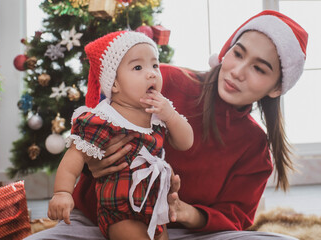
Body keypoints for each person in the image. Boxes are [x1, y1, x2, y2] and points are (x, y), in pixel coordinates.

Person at [25, 9, 308, 240]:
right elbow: (97, 121)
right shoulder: (163, 81)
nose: (238, 71)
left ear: (276, 88)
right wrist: (94, 164)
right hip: (100, 218)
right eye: (238, 53)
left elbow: (236, 218)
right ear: (226, 52)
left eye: (259, 68)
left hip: (184, 233)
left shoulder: (255, 147)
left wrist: (185, 212)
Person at [47, 31, 194, 240]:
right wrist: (62, 192)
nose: (152, 73)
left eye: (154, 65)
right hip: (120, 212)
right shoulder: (104, 118)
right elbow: (75, 156)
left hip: (153, 208)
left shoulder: (158, 114)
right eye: (137, 67)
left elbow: (185, 142)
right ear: (114, 84)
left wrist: (170, 115)